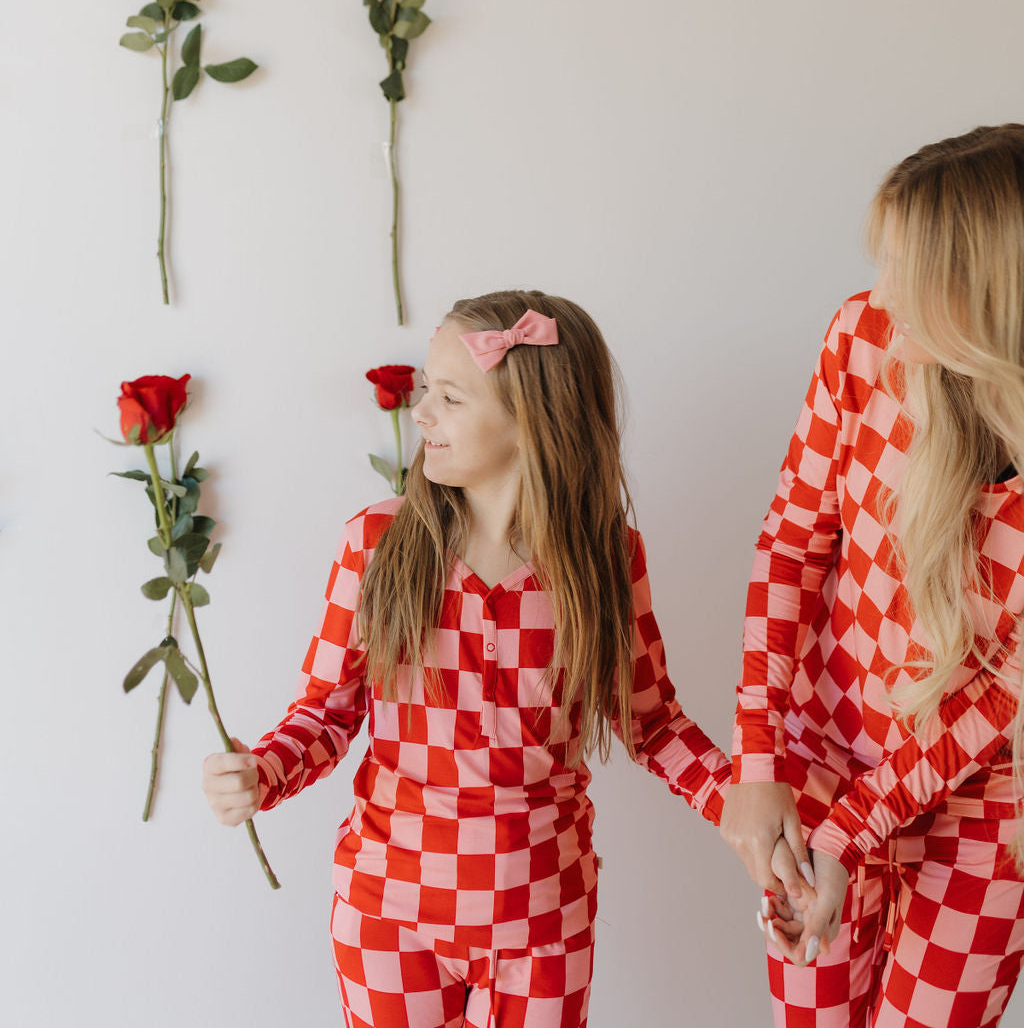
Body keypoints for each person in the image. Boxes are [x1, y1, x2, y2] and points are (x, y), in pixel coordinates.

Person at [203, 290, 730, 1028]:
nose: (421, 414)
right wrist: (262, 772)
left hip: (542, 916)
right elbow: (328, 711)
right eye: (425, 391)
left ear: (533, 422)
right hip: (389, 909)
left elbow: (654, 724)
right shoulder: (377, 543)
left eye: (449, 397)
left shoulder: (603, 557)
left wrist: (745, 806)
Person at [722, 124, 1024, 1028]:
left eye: (906, 271)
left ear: (982, 292)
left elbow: (998, 699)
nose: (879, 292)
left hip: (983, 817)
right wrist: (759, 757)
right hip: (822, 762)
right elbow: (791, 544)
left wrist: (852, 834)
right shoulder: (861, 338)